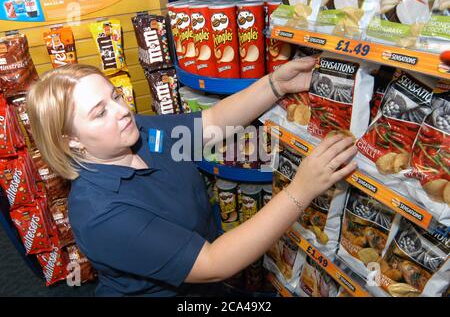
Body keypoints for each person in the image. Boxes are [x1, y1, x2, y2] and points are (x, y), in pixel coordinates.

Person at [26, 58, 358, 297]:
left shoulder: (135, 131)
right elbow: (214, 262)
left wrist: (275, 85)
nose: (122, 111)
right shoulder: (98, 214)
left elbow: (210, 125)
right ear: (70, 141)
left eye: (115, 96)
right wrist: (301, 189)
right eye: (100, 113)